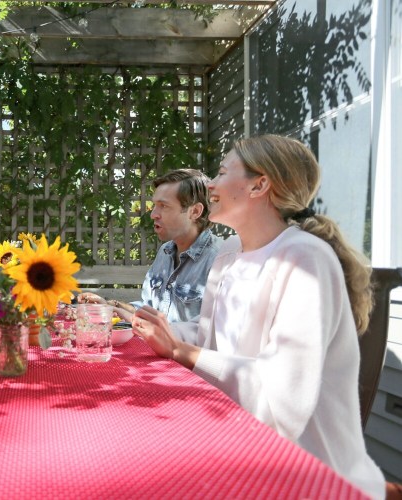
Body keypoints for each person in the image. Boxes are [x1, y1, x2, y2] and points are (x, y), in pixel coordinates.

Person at [132, 135, 384, 498]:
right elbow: (208, 341)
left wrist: (178, 351)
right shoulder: (231, 253)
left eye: (220, 173)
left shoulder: (304, 260)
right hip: (239, 445)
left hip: (308, 473)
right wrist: (155, 328)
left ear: (259, 185)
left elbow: (283, 404)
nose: (212, 186)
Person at [78, 169, 222, 323]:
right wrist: (110, 306)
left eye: (163, 206)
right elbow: (148, 310)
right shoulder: (165, 251)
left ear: (194, 212)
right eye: (155, 205)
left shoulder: (219, 260)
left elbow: (210, 332)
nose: (153, 214)